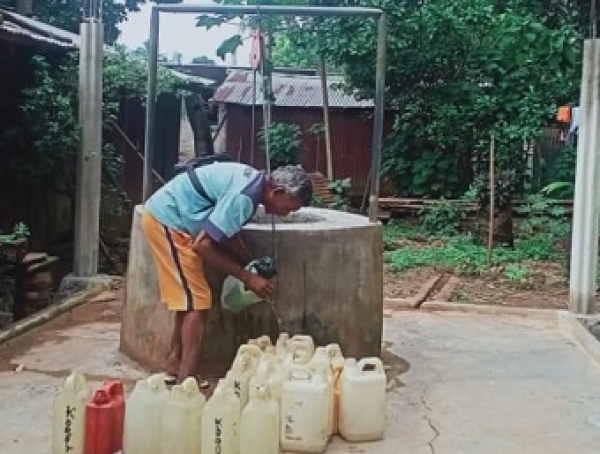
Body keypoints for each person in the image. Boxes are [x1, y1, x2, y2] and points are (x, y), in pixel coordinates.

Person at [141, 161, 313, 386]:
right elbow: (202, 246)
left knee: (190, 299)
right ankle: (186, 380)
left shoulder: (252, 186)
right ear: (277, 192)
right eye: (288, 208)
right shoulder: (244, 198)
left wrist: (248, 261)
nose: (286, 215)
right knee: (198, 302)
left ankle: (175, 363)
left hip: (174, 218)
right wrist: (247, 277)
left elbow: (225, 231)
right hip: (168, 220)